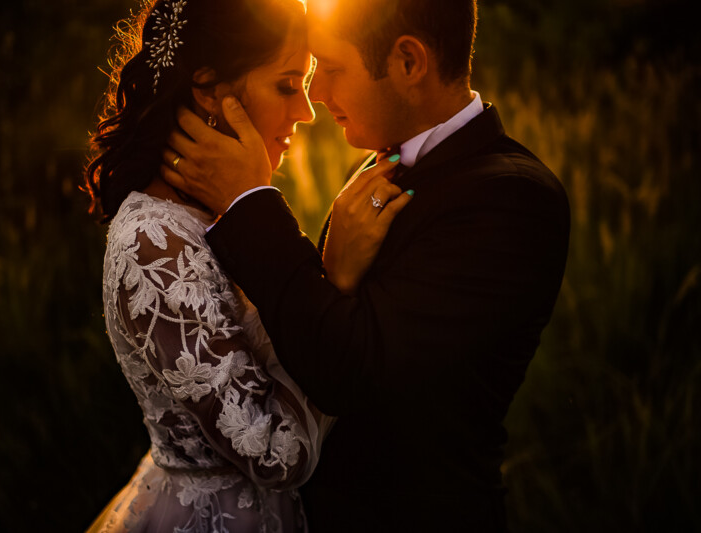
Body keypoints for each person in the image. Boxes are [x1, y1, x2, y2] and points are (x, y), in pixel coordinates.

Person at [160, 0, 572, 530]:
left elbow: (348, 372)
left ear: (408, 62)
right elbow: (321, 323)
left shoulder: (511, 198)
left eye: (331, 69)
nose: (317, 95)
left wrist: (249, 202)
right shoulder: (380, 163)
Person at [82, 0, 408, 531]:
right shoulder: (153, 243)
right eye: (287, 85)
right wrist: (337, 286)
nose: (307, 111)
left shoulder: (224, 210)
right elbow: (276, 455)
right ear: (210, 89)